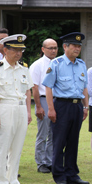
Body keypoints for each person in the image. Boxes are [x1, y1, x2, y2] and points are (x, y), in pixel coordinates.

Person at [42, 32, 90, 184]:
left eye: (79, 46)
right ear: (65, 47)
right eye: (74, 46)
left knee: (73, 141)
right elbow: (48, 87)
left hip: (77, 106)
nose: (77, 49)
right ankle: (59, 174)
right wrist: (51, 109)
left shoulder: (81, 64)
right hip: (61, 105)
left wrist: (85, 106)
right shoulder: (56, 64)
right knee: (59, 141)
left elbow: (84, 88)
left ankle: (72, 173)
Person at [0, 34, 33, 184]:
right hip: (5, 107)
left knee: (17, 146)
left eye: (21, 50)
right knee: (2, 146)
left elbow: (28, 91)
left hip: (20, 108)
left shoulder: (24, 67)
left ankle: (13, 179)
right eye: (15, 50)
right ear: (5, 50)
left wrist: (28, 111)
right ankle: (2, 181)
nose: (18, 53)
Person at [29, 38, 58, 173]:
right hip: (43, 100)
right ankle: (40, 162)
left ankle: (49, 161)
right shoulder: (37, 65)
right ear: (43, 49)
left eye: (55, 48)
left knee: (53, 133)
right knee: (43, 133)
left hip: (57, 100)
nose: (53, 50)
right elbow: (34, 87)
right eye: (50, 48)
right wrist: (39, 106)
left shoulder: (59, 63)